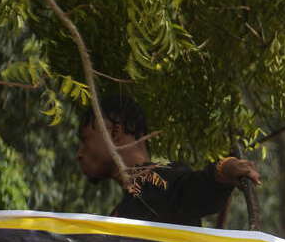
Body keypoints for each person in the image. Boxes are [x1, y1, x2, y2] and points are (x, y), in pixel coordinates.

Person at [76, 95, 261, 227]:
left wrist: (223, 169)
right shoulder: (126, 206)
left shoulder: (161, 180)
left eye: (85, 140)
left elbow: (193, 191)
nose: (79, 153)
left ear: (114, 132)